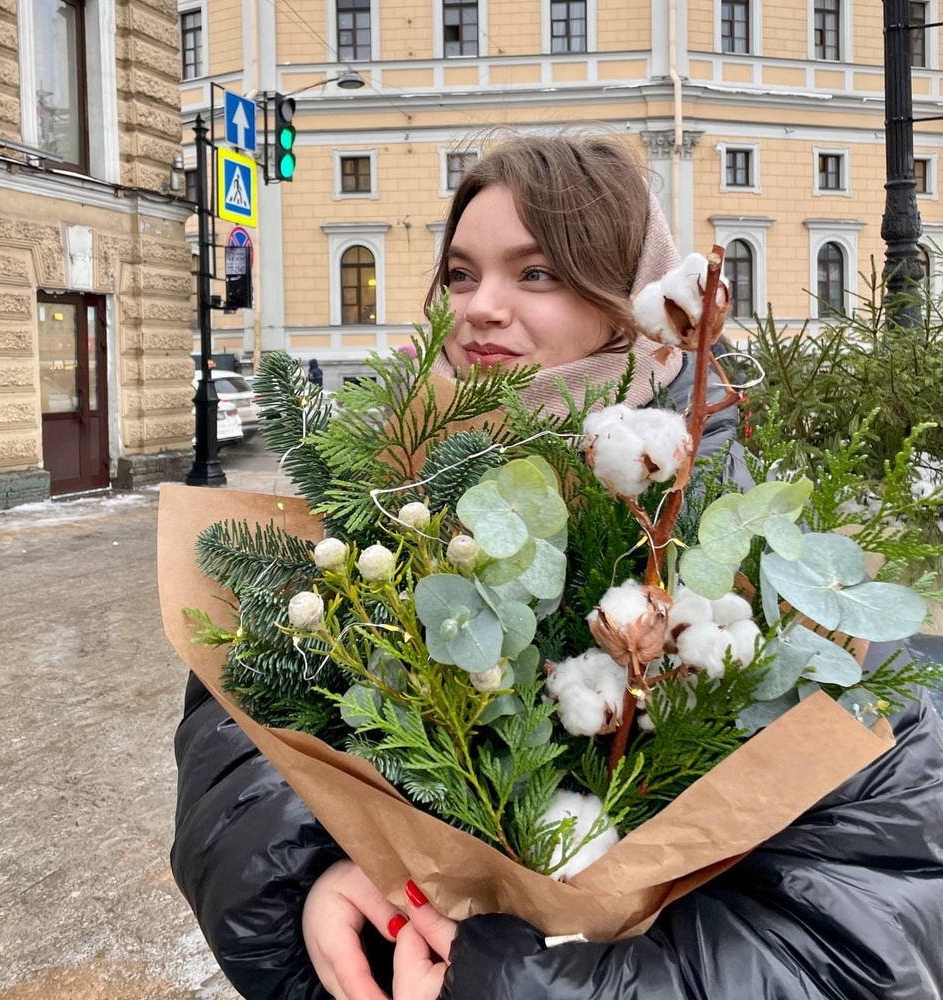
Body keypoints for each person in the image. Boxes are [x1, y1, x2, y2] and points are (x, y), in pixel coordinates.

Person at [170, 135, 943, 1000]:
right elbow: (237, 741)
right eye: (461, 275)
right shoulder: (377, 509)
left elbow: (857, 937)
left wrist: (513, 981)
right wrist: (318, 879)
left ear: (634, 308)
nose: (479, 308)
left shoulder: (765, 569)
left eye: (535, 274)